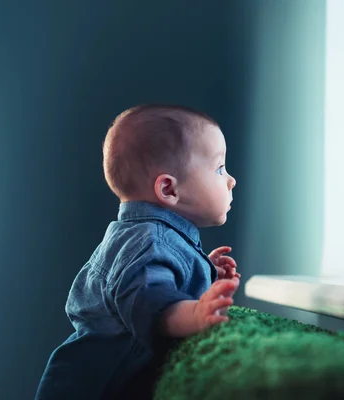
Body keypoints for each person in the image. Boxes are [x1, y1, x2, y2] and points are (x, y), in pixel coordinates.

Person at [35, 104, 240, 399]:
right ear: (169, 189)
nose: (230, 180)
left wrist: (200, 268)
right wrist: (196, 313)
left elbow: (154, 276)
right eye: (219, 168)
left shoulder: (145, 238)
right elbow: (149, 303)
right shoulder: (149, 240)